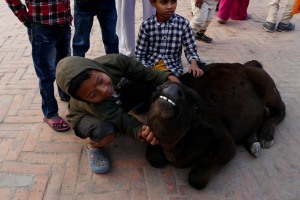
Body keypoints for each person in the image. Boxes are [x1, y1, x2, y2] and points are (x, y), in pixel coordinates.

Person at [56, 54, 180, 173]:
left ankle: (135, 104)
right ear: (85, 99)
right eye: (93, 94)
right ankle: (93, 145)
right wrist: (140, 130)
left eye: (100, 80)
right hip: (86, 116)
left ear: (96, 67)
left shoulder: (114, 62)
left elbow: (144, 72)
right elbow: (120, 119)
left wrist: (167, 77)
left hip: (110, 105)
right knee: (106, 131)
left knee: (143, 83)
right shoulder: (93, 105)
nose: (104, 90)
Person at [6, 0, 72, 132]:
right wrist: (23, 16)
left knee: (64, 66)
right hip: (41, 26)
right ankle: (50, 113)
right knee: (46, 74)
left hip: (63, 22)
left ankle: (64, 93)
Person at [136, 0, 206, 78]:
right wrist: (148, 73)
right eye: (164, 2)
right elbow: (140, 56)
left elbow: (190, 49)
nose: (170, 7)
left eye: (173, 2)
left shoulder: (183, 24)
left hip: (174, 70)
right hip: (151, 71)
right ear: (153, 3)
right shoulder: (146, 26)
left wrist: (194, 64)